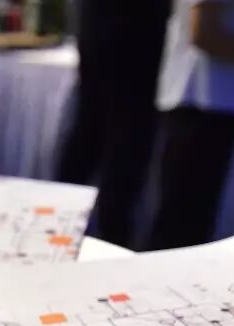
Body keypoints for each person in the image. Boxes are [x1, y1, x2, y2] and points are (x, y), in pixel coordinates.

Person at [147, 0, 234, 250]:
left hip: (214, 99)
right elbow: (204, 34)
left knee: (191, 223)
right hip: (200, 100)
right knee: (180, 227)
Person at [56, 0, 172, 249]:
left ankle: (60, 224)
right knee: (123, 141)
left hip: (100, 25)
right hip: (133, 32)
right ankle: (111, 237)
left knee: (91, 131)